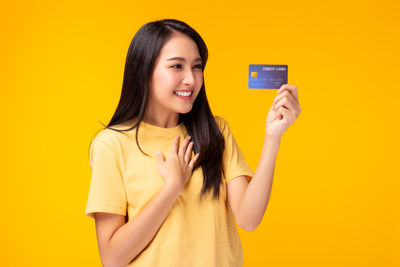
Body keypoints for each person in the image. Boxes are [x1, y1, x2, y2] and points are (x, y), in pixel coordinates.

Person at [85, 18, 301, 267]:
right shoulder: (111, 145)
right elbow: (112, 258)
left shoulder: (215, 131)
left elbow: (248, 219)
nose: (191, 79)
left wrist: (273, 137)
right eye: (177, 66)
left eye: (197, 67)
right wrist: (172, 188)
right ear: (144, 70)